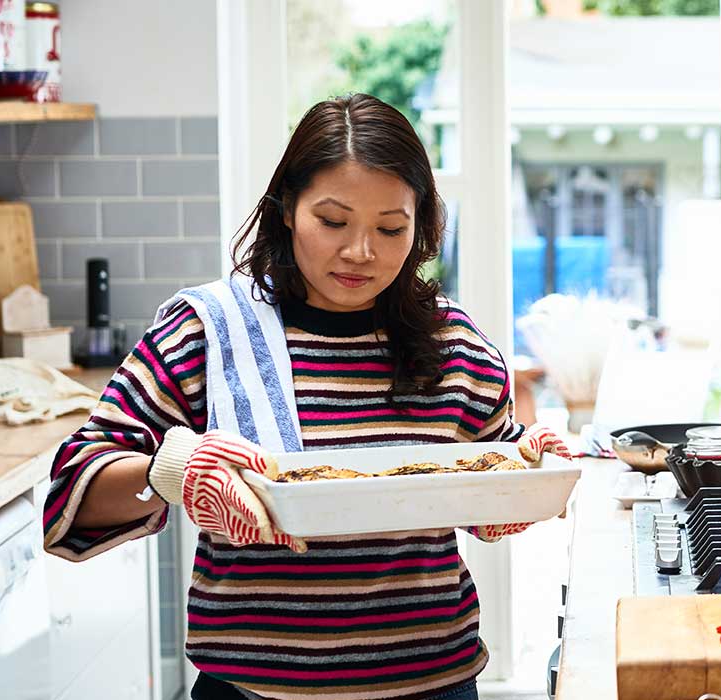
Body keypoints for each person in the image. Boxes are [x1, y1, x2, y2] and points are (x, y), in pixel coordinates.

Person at [41, 94, 569, 700]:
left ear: (420, 225)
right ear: (288, 209)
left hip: (429, 684)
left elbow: (494, 481)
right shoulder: (207, 331)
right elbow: (71, 494)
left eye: (391, 228)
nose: (360, 252)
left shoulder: (454, 346)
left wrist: (528, 477)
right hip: (250, 691)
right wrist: (173, 471)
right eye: (333, 221)